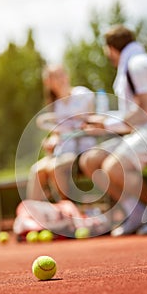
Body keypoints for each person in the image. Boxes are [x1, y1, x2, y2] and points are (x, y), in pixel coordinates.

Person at [79, 24, 147, 235]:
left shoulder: (137, 65)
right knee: (90, 160)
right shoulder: (135, 64)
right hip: (146, 133)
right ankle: (134, 212)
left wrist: (106, 124)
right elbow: (136, 115)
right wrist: (103, 122)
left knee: (113, 167)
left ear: (110, 48)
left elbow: (145, 111)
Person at [26, 64, 96, 201]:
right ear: (48, 83)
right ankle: (34, 215)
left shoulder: (82, 94)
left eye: (62, 74)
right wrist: (51, 141)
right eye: (55, 76)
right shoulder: (55, 105)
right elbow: (57, 133)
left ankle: (67, 209)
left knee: (55, 167)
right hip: (62, 151)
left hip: (82, 150)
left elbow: (92, 119)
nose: (61, 79)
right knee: (36, 171)